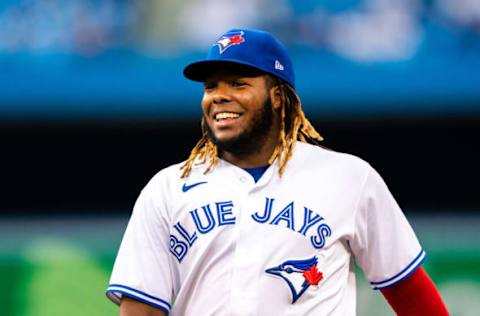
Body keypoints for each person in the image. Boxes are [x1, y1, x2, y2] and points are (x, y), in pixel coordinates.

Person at [106, 28, 449, 315]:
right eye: (211, 87)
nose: (219, 97)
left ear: (278, 97)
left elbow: (409, 290)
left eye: (238, 83)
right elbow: (141, 308)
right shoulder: (167, 187)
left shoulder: (348, 178)